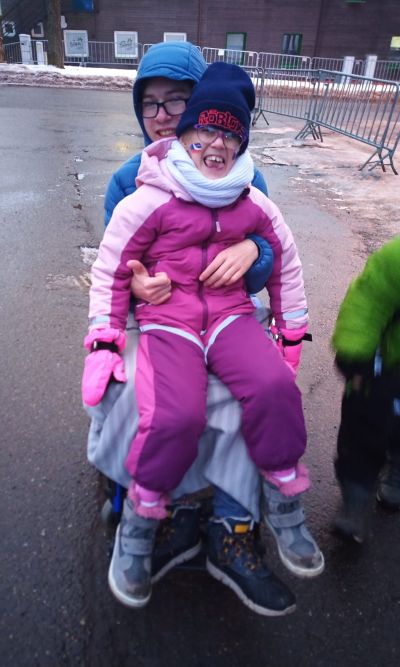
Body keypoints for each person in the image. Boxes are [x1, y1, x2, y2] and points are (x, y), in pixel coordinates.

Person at [83, 61, 324, 614]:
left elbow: (275, 254)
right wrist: (123, 309)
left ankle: (237, 522)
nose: (162, 115)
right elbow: (114, 261)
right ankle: (153, 511)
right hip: (161, 318)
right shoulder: (135, 181)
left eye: (175, 100)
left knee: (265, 390)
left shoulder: (246, 183)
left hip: (229, 314)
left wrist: (253, 252)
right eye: (151, 103)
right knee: (162, 405)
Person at [332, 235, 400, 543]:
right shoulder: (396, 258)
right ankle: (356, 494)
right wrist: (355, 352)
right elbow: (368, 301)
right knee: (362, 428)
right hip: (385, 367)